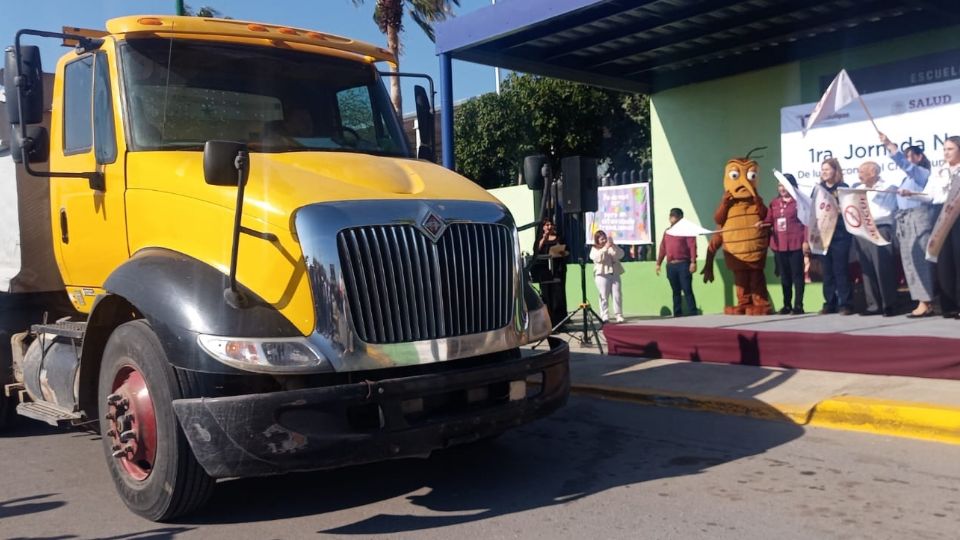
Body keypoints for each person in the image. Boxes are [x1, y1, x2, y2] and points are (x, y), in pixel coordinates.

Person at [880, 133, 938, 317]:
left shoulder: (921, 173)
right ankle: (921, 300)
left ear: (919, 157)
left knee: (920, 261)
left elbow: (906, 166)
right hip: (904, 221)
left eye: (910, 156)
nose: (906, 160)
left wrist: (890, 146)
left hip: (918, 220)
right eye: (905, 156)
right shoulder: (906, 180)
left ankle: (927, 301)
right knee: (909, 262)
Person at [851, 161, 899, 316]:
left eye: (862, 171)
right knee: (867, 268)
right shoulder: (857, 189)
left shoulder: (888, 188)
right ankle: (873, 305)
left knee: (883, 267)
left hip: (881, 228)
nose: (859, 175)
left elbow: (887, 210)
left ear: (873, 172)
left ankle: (889, 304)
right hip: (862, 231)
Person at [759, 174, 808, 314]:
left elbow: (806, 223)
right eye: (780, 185)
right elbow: (769, 220)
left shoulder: (799, 202)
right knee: (785, 276)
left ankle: (798, 305)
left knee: (797, 276)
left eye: (784, 185)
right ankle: (786, 305)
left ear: (791, 186)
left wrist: (806, 241)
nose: (782, 188)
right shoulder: (774, 203)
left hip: (795, 244)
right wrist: (762, 224)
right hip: (779, 245)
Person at [817, 158, 854, 315]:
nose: (824, 172)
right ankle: (829, 303)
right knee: (827, 271)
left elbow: (850, 210)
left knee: (841, 270)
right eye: (822, 169)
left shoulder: (843, 188)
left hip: (840, 234)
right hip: (824, 235)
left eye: (827, 169)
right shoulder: (818, 189)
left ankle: (845, 303)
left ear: (835, 171)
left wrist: (838, 209)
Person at [933, 136, 960, 318]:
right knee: (944, 261)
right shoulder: (940, 171)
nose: (946, 153)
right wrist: (912, 194)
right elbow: (930, 194)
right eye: (944, 149)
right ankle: (948, 304)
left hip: (958, 214)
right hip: (941, 214)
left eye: (950, 149)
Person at [656, 208, 698, 316]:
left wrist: (693, 262)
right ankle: (677, 313)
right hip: (671, 265)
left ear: (680, 218)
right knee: (675, 291)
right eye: (671, 215)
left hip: (683, 264)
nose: (672, 218)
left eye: (675, 215)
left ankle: (693, 312)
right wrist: (658, 263)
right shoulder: (667, 231)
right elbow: (662, 248)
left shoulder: (687, 230)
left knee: (687, 289)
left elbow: (692, 246)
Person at [531, 219, 568, 328]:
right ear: (543, 227)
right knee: (546, 295)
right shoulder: (540, 238)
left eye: (551, 224)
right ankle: (548, 322)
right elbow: (536, 250)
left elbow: (567, 251)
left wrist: (562, 252)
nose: (549, 226)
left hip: (557, 270)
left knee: (558, 296)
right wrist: (544, 238)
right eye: (547, 225)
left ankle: (560, 322)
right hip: (544, 270)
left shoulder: (559, 238)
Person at [590, 229, 625, 323]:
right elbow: (596, 258)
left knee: (617, 295)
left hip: (614, 273)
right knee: (603, 295)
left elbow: (620, 255)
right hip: (602, 275)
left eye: (605, 238)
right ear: (597, 240)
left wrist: (613, 246)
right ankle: (604, 315)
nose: (604, 240)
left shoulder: (611, 247)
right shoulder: (595, 249)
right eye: (602, 239)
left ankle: (619, 315)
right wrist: (605, 248)